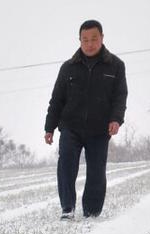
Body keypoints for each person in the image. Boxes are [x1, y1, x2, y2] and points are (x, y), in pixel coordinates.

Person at [44, 19, 127, 220]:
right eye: (85, 39)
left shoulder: (115, 66)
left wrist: (116, 119)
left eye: (94, 39)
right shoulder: (68, 67)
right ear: (79, 40)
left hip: (100, 129)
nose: (90, 44)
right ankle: (67, 208)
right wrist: (49, 127)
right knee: (66, 164)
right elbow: (57, 99)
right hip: (71, 127)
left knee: (97, 171)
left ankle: (91, 211)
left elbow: (120, 96)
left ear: (102, 38)